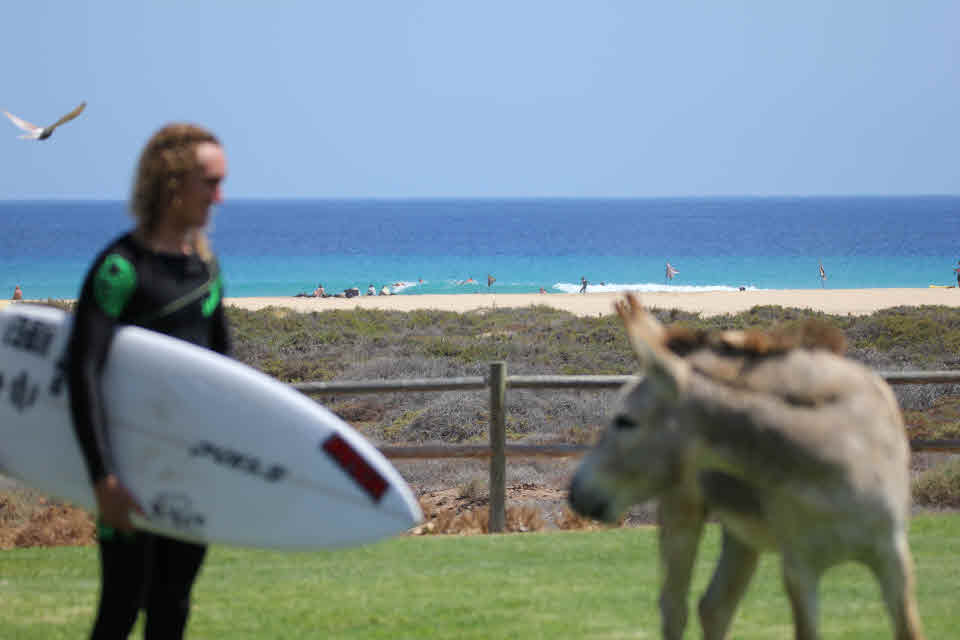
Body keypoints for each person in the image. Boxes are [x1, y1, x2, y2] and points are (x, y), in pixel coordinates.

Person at [67, 123, 229, 640]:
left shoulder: (205, 269)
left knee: (173, 606)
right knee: (120, 606)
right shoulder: (120, 270)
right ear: (173, 184)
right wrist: (104, 478)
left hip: (189, 471)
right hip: (129, 469)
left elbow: (223, 373)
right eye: (210, 182)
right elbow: (82, 372)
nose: (219, 197)